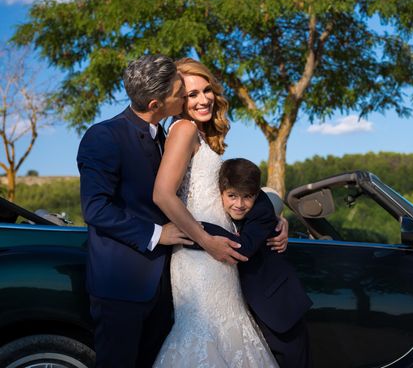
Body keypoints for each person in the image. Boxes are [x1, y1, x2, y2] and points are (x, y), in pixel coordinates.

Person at [152, 57, 286, 368]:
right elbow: (162, 194)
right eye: (191, 95)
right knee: (203, 334)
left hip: (219, 254)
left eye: (206, 90)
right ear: (179, 101)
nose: (202, 99)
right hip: (199, 257)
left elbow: (234, 199)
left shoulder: (203, 136)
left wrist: (276, 219)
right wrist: (206, 240)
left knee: (229, 331)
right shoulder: (183, 129)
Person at [77, 54, 193, 368]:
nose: (184, 95)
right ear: (156, 104)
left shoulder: (165, 136)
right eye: (178, 92)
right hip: (121, 288)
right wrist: (159, 233)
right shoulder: (104, 136)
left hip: (167, 286)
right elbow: (96, 209)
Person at [196, 158, 313, 368]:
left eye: (247, 197)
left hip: (278, 307)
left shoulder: (262, 210)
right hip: (243, 310)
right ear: (221, 191)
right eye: (232, 196)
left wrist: (194, 227)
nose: (239, 204)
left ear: (256, 194)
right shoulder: (216, 206)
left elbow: (245, 247)